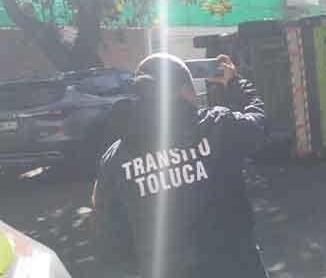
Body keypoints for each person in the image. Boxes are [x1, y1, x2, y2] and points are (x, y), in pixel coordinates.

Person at [92, 53, 269, 278]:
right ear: (186, 90)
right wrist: (235, 83)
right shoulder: (216, 125)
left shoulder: (114, 158)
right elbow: (258, 125)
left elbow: (109, 229)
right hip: (236, 267)